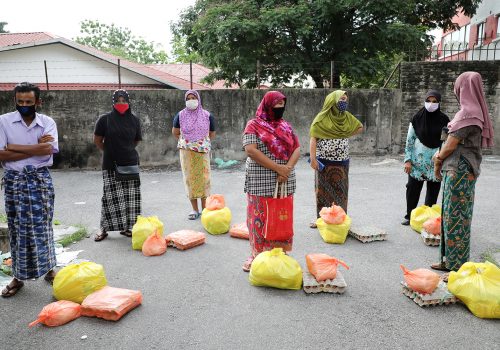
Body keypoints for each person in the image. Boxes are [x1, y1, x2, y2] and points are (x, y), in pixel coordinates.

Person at [431, 72, 494, 277]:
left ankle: (457, 266)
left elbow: (450, 144)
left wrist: (438, 158)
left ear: (464, 88)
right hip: (458, 170)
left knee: (457, 217)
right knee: (449, 215)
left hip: (459, 170)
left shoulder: (469, 113)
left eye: (458, 87)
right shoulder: (472, 112)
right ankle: (448, 261)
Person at [0, 82, 58, 297]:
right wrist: (37, 148)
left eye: (29, 102)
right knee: (17, 228)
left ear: (38, 102)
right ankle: (18, 277)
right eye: (20, 101)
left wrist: (13, 147)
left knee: (44, 225)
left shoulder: (47, 122)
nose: (24, 105)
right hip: (15, 181)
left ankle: (50, 270)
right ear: (15, 101)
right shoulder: (3, 122)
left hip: (40, 179)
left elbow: (49, 151)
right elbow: (0, 155)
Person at [242, 91, 300, 272]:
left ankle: (279, 254)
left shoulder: (286, 126)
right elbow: (250, 150)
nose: (279, 108)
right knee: (259, 218)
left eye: (282, 105)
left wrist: (287, 169)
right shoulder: (254, 125)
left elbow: (297, 148)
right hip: (260, 180)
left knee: (281, 217)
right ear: (267, 105)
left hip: (284, 180)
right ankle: (257, 256)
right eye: (276, 105)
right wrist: (278, 168)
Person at [309, 90, 363, 228]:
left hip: (342, 163)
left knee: (341, 192)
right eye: (341, 100)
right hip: (324, 163)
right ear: (332, 101)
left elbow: (360, 127)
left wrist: (345, 133)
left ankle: (340, 220)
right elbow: (313, 138)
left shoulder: (346, 117)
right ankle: (321, 220)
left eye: (345, 100)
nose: (343, 102)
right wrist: (313, 158)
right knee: (322, 192)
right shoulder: (321, 118)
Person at [94, 89, 142, 241]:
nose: (121, 103)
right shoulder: (105, 120)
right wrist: (110, 151)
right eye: (118, 101)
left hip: (130, 162)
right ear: (113, 103)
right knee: (110, 198)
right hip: (111, 164)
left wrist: (125, 151)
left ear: (128, 102)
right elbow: (98, 140)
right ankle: (104, 229)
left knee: (130, 198)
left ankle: (127, 227)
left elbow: (136, 140)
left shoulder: (134, 120)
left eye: (124, 100)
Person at [401, 90, 449, 225]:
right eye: (428, 101)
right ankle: (410, 216)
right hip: (417, 162)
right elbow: (409, 140)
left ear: (439, 103)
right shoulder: (417, 118)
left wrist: (442, 157)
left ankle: (428, 218)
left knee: (433, 191)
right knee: (412, 189)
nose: (431, 104)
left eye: (434, 102)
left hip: (436, 162)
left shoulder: (445, 120)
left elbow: (446, 141)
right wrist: (407, 160)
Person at [172, 90, 216, 220]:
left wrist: (200, 143)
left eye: (193, 98)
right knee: (190, 179)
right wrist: (188, 143)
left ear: (199, 99)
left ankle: (205, 209)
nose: (191, 100)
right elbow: (175, 132)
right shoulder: (180, 115)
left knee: (204, 179)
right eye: (188, 98)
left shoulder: (207, 115)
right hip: (187, 153)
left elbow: (212, 133)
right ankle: (194, 210)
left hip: (202, 152)